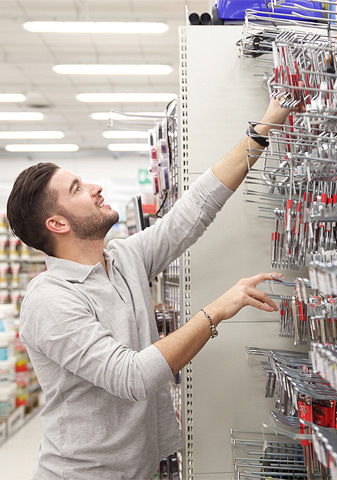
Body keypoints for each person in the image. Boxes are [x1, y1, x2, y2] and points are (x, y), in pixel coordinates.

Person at [6, 95, 291, 480]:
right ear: (58, 224)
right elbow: (131, 377)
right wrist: (216, 310)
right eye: (77, 189)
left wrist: (268, 123)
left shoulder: (124, 259)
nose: (95, 187)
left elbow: (197, 206)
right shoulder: (50, 300)